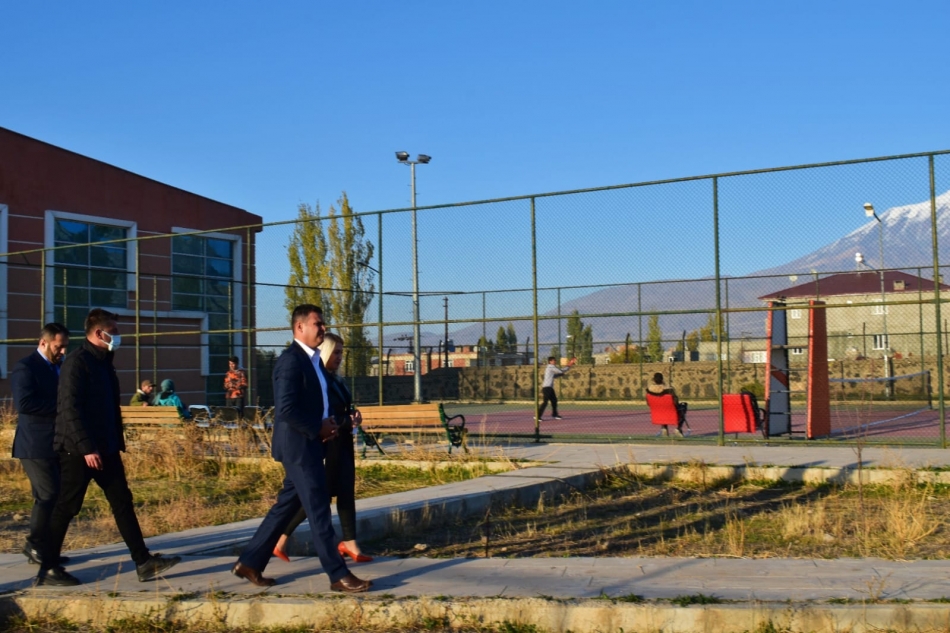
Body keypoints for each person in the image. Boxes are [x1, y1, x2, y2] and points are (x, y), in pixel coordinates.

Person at [231, 304, 371, 593]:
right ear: (300, 327)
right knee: (318, 510)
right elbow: (286, 409)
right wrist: (317, 427)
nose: (323, 328)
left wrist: (330, 423)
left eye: (323, 324)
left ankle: (250, 562)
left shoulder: (313, 360)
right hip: (299, 448)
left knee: (285, 508)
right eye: (318, 324)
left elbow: (315, 402)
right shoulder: (291, 361)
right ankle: (338, 574)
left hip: (311, 444)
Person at [43, 308, 181, 586]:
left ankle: (143, 562)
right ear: (99, 333)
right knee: (67, 507)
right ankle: (48, 568)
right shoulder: (77, 363)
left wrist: (114, 442)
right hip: (78, 451)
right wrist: (86, 448)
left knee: (122, 502)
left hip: (105, 447)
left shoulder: (104, 362)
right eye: (114, 331)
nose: (118, 336)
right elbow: (69, 409)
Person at [272, 332, 371, 564]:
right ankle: (281, 537)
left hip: (342, 442)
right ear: (325, 352)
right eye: (336, 352)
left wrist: (352, 416)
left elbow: (340, 407)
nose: (340, 357)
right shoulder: (319, 380)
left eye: (342, 352)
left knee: (345, 490)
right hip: (327, 443)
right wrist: (346, 421)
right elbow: (323, 413)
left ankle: (350, 543)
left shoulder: (335, 379)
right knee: (319, 495)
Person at [11, 323, 71, 576]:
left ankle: (44, 547)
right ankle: (35, 544)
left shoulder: (60, 367)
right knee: (49, 495)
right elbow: (25, 404)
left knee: (50, 496)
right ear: (43, 343)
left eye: (65, 346)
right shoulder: (26, 367)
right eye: (58, 346)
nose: (63, 351)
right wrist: (62, 407)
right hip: (34, 444)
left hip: (55, 443)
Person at [646, 372, 688, 437]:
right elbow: (675, 402)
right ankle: (678, 428)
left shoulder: (649, 390)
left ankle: (664, 427)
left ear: (654, 380)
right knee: (683, 406)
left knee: (663, 408)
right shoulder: (669, 390)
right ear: (662, 380)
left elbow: (648, 403)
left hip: (657, 411)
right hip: (671, 411)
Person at [537, 356, 576, 420]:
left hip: (549, 387)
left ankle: (554, 414)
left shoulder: (549, 367)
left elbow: (553, 376)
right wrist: (570, 364)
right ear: (550, 361)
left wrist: (559, 374)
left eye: (555, 360)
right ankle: (538, 416)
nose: (555, 361)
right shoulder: (551, 366)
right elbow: (561, 371)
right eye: (554, 360)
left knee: (554, 400)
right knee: (545, 402)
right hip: (547, 388)